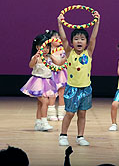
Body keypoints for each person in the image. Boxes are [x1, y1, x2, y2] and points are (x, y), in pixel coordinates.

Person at [58, 11, 100, 146]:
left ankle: (80, 136)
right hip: (72, 89)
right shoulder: (69, 53)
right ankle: (63, 135)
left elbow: (94, 38)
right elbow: (63, 39)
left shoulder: (89, 53)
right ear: (72, 42)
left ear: (86, 42)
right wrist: (60, 23)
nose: (79, 41)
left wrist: (97, 22)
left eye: (82, 38)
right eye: (76, 39)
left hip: (86, 89)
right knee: (70, 113)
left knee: (82, 114)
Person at [21, 33, 64, 131]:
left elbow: (59, 63)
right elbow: (31, 66)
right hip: (37, 82)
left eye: (47, 47)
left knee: (40, 104)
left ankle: (38, 123)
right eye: (42, 47)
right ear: (37, 47)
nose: (45, 49)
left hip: (47, 82)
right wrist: (35, 58)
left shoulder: (49, 57)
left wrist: (66, 56)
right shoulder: (36, 57)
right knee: (45, 101)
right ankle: (44, 122)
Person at [45, 30, 67, 121]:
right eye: (55, 37)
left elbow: (63, 61)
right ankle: (51, 113)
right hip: (51, 74)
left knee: (62, 93)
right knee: (52, 94)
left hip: (61, 73)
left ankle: (61, 113)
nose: (58, 39)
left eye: (59, 37)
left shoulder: (63, 50)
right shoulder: (46, 50)